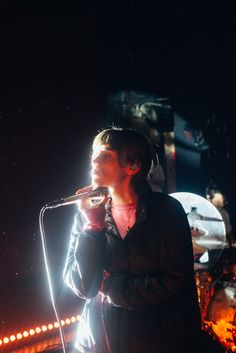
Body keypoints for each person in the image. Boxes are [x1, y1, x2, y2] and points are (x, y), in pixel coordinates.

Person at [63, 127, 202, 353]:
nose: (94, 161)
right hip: (101, 343)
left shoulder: (166, 212)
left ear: (133, 166)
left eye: (105, 155)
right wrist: (93, 226)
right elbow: (81, 284)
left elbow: (172, 282)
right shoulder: (89, 213)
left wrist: (109, 286)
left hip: (158, 341)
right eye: (93, 154)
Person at [206, 183, 234, 248]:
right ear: (209, 197)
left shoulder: (224, 213)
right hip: (208, 249)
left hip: (224, 249)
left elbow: (228, 233)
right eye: (221, 195)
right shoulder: (200, 213)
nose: (224, 198)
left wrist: (233, 243)